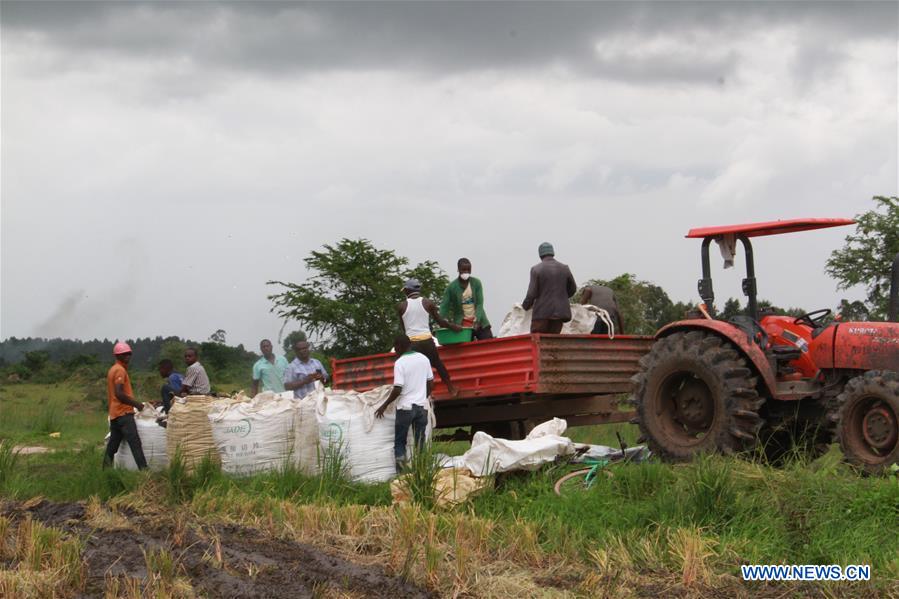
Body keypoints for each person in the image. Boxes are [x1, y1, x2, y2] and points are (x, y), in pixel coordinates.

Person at [375, 334, 433, 471]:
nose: (395, 350)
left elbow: (397, 388)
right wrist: (423, 397)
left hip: (405, 408)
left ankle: (402, 474)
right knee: (420, 442)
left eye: (396, 347)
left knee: (400, 441)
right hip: (422, 408)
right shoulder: (424, 359)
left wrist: (384, 405)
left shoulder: (400, 362)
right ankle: (422, 471)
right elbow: (431, 383)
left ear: (400, 346)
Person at [396, 278, 461, 396]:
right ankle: (451, 388)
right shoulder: (428, 303)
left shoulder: (401, 307)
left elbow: (404, 329)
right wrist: (454, 327)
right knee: (437, 364)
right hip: (427, 341)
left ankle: (423, 395)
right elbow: (440, 322)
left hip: (413, 344)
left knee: (418, 371)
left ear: (406, 290)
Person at [103, 342, 148, 470]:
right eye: (124, 354)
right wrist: (137, 405)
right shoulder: (119, 370)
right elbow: (119, 394)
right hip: (124, 414)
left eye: (129, 354)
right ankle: (145, 472)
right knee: (135, 443)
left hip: (114, 414)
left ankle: (105, 470)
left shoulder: (113, 369)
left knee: (112, 445)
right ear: (117, 356)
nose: (128, 356)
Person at [522, 242, 578, 334]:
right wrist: (562, 297)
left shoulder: (536, 269)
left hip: (542, 314)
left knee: (538, 340)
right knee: (553, 340)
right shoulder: (565, 268)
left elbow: (531, 294)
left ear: (540, 254)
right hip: (561, 313)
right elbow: (573, 289)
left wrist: (525, 306)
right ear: (552, 253)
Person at [440, 257, 493, 340]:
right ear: (458, 270)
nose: (466, 272)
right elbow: (444, 306)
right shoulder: (451, 287)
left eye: (468, 270)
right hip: (462, 325)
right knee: (465, 348)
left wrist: (477, 320)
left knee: (489, 344)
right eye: (463, 270)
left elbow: (480, 304)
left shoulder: (476, 283)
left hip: (480, 322)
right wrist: (442, 321)